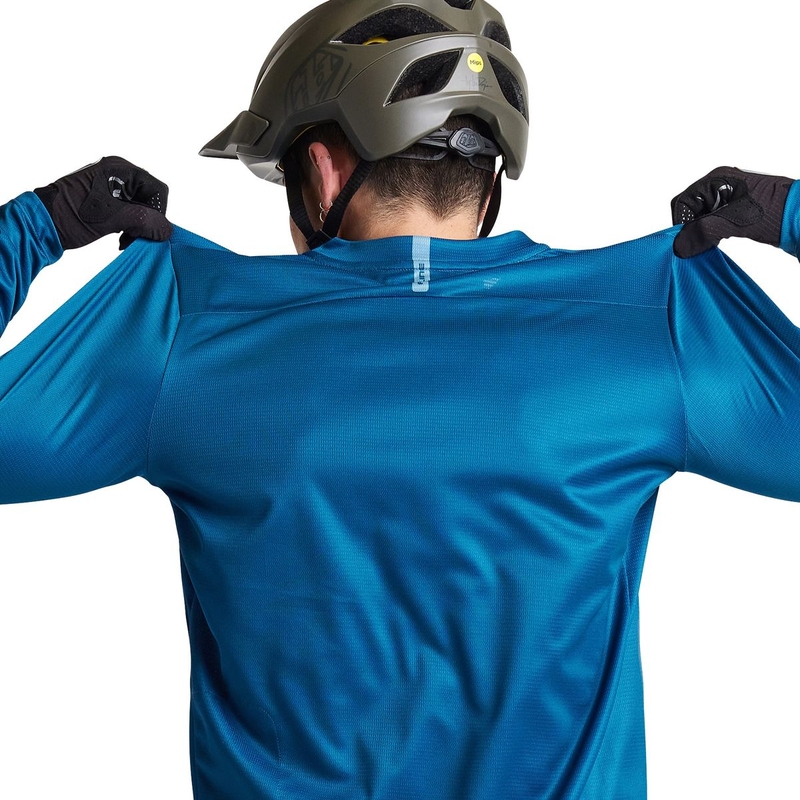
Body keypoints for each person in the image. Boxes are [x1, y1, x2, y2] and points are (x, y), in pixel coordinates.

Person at [1, 1, 798, 798]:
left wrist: (38, 227)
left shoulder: (183, 324)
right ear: (489, 178)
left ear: (321, 171)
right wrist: (790, 215)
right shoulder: (649, 319)